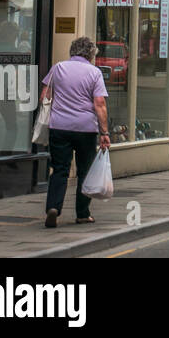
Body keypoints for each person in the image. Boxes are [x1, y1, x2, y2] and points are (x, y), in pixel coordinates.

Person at [40, 37, 110, 227]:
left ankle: (53, 207)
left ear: (73, 51)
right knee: (84, 171)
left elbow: (44, 96)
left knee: (60, 169)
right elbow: (100, 104)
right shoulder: (94, 73)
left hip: (59, 126)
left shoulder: (58, 68)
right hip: (85, 129)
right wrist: (105, 132)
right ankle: (82, 213)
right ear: (91, 54)